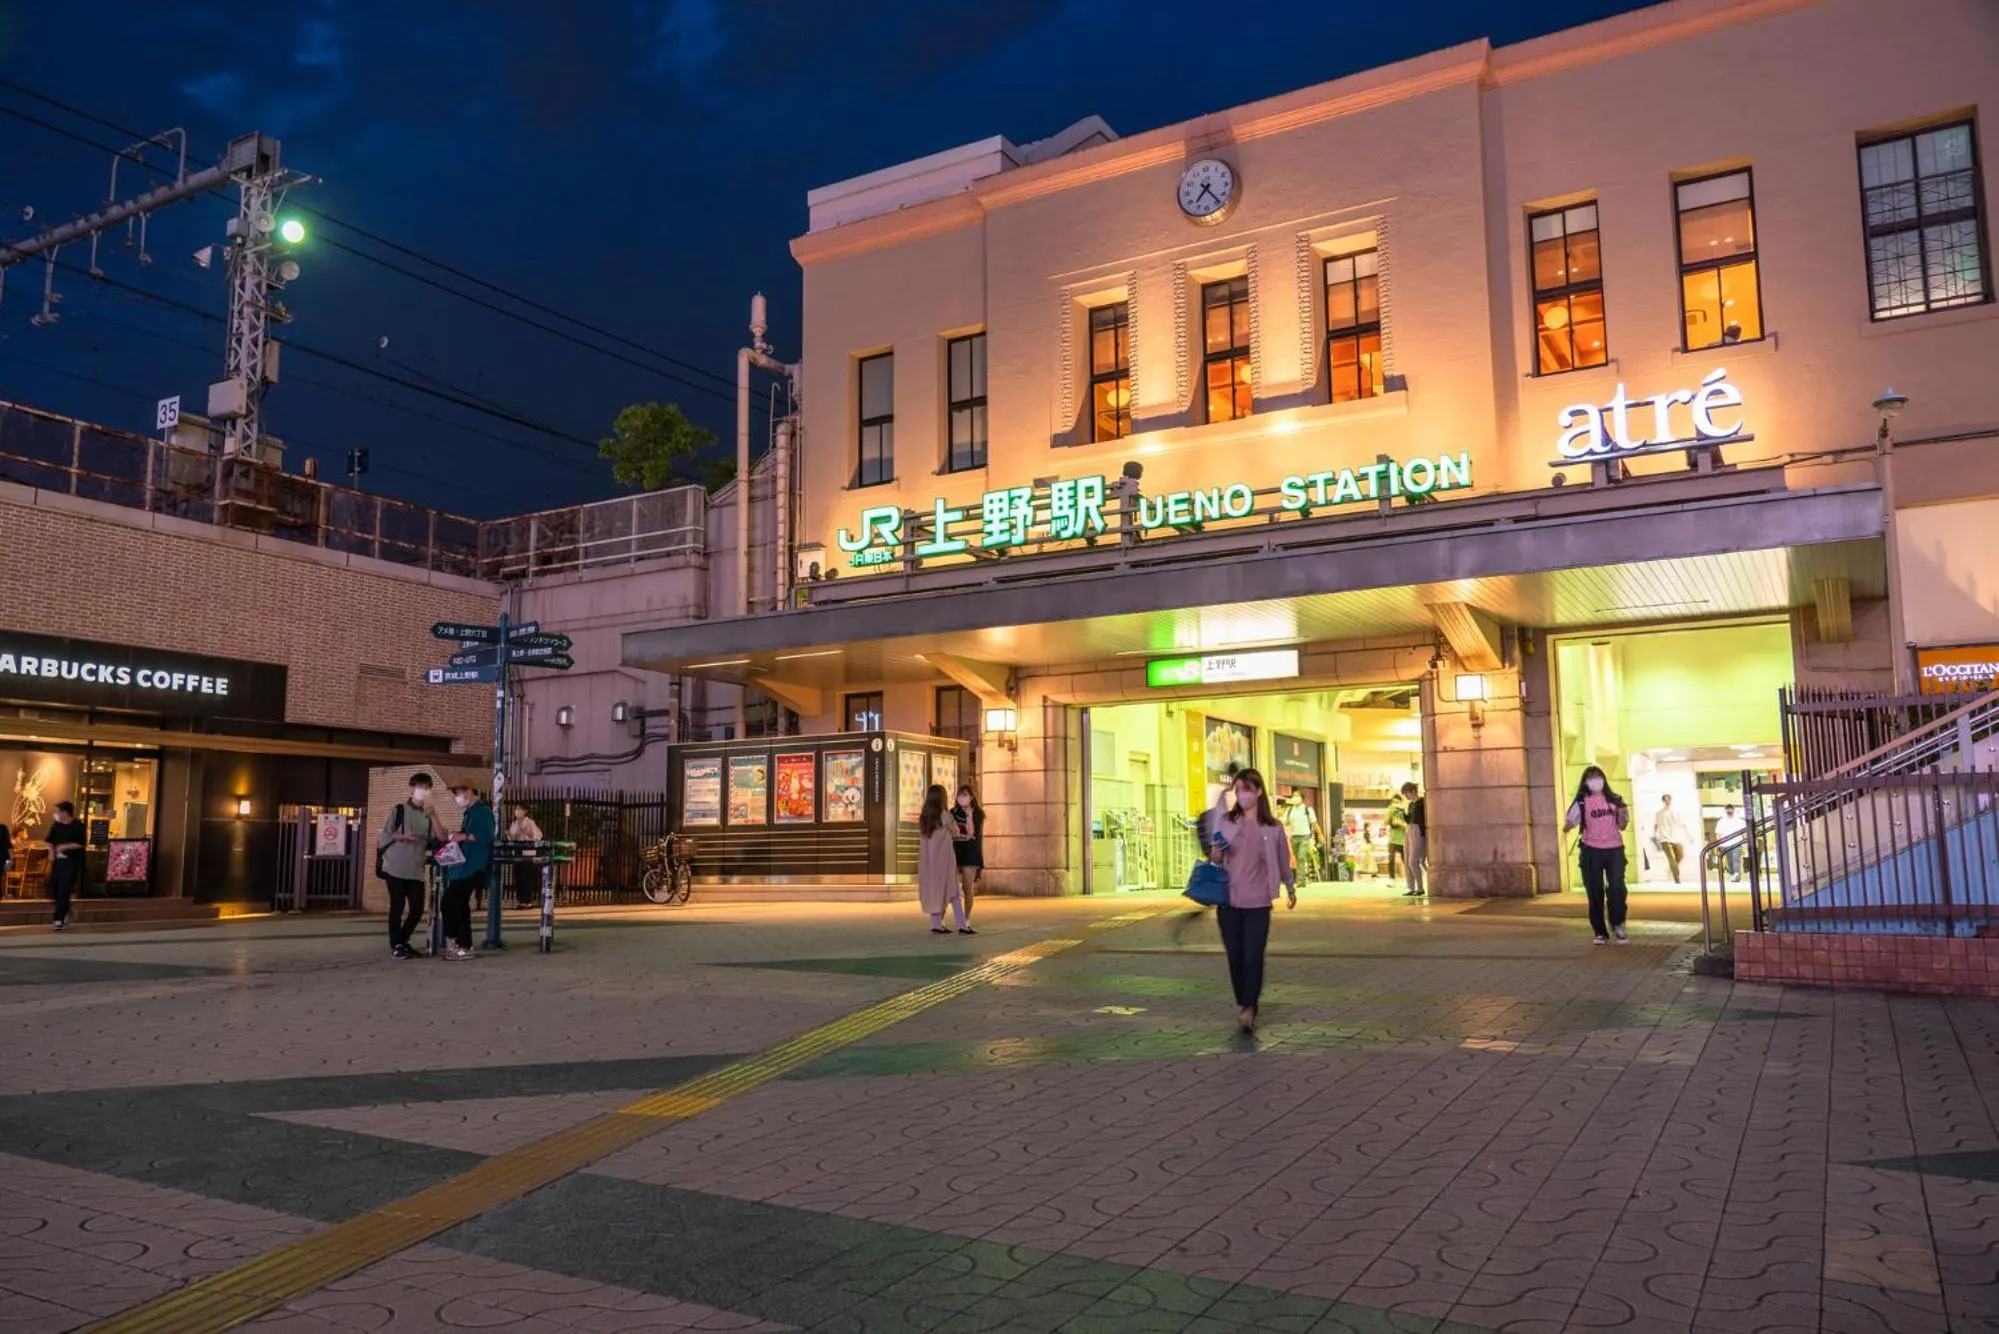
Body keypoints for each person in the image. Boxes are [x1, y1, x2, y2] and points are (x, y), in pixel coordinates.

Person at [1208, 767, 1295, 1033]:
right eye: (1237, 790)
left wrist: (1290, 888)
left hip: (1258, 903)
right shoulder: (1225, 821)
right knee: (1235, 956)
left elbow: (1282, 860)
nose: (1241, 795)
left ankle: (1249, 1007)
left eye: (1246, 789)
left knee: (1253, 956)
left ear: (1258, 791)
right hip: (1229, 903)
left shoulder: (1273, 827)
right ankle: (1243, 1000)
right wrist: (1218, 851)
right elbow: (1214, 858)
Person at [1565, 766, 1632, 945]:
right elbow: (1570, 820)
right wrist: (1567, 827)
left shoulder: (1615, 799)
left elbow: (1622, 825)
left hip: (1614, 849)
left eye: (1598, 776)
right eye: (1591, 777)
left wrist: (1623, 816)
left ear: (1604, 778)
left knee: (1617, 888)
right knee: (1595, 891)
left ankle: (1618, 923)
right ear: (1585, 782)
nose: (1595, 780)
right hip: (1591, 850)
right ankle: (1600, 931)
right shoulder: (1582, 801)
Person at [377, 773, 440, 959]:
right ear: (411, 788)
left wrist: (434, 817)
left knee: (417, 909)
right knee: (397, 907)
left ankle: (402, 941)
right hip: (395, 866)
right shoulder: (399, 810)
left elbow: (438, 838)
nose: (422, 791)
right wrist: (403, 837)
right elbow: (384, 837)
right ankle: (396, 945)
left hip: (416, 868)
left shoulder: (428, 814)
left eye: (426, 787)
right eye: (419, 787)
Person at [438, 780, 495, 960]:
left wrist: (463, 836)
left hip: (472, 866)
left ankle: (456, 941)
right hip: (464, 866)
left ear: (469, 791)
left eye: (457, 793)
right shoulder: (469, 814)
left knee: (450, 903)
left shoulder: (482, 812)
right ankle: (463, 945)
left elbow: (486, 837)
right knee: (460, 906)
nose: (456, 797)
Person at [918, 784, 969, 935]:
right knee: (953, 891)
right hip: (944, 860)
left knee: (936, 890)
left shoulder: (924, 818)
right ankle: (961, 924)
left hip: (929, 862)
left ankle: (936, 923)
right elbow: (955, 832)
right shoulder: (945, 815)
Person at [45, 801, 86, 930]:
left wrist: (65, 846)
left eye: (57, 811)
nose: (55, 814)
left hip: (71, 861)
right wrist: (51, 853)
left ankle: (58, 919)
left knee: (64, 888)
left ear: (65, 812)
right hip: (58, 861)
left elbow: (81, 843)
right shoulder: (56, 826)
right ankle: (66, 908)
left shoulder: (78, 826)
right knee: (53, 887)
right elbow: (50, 842)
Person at [949, 785, 984, 926]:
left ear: (971, 797)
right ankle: (941, 919)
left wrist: (969, 815)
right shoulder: (953, 812)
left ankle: (966, 920)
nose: (962, 797)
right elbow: (951, 831)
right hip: (955, 851)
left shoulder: (978, 813)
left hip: (971, 852)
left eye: (965, 794)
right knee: (951, 887)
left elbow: (973, 834)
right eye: (960, 794)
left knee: (967, 888)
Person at [506, 803, 544, 908]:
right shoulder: (514, 823)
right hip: (517, 850)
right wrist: (511, 835)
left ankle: (528, 900)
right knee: (518, 876)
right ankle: (520, 900)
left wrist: (526, 832)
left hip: (528, 851)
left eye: (519, 809)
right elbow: (512, 838)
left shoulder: (530, 822)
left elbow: (538, 836)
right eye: (516, 809)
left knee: (527, 876)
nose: (517, 811)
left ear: (525, 811)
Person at [1282, 792, 1319, 883]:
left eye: (1297, 796)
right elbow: (1284, 822)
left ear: (1302, 798)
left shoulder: (1308, 810)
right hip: (1294, 837)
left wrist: (1320, 834)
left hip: (1305, 836)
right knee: (1298, 858)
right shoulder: (1289, 810)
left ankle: (1300, 880)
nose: (1295, 797)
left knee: (1301, 856)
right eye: (1293, 796)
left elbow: (1314, 823)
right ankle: (1302, 876)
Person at [1652, 794, 1689, 883]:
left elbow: (1682, 824)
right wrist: (1655, 836)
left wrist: (1687, 834)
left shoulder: (1676, 812)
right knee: (1671, 857)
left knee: (1681, 856)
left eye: (1668, 800)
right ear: (1663, 801)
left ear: (1671, 800)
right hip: (1664, 839)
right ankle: (1677, 878)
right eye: (1665, 800)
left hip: (1677, 838)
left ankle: (1672, 868)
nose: (1667, 801)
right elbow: (1656, 825)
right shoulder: (1659, 813)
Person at [1400, 782, 1428, 899]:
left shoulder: (1422, 802)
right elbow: (1408, 820)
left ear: (1412, 791)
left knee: (1413, 860)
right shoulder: (1411, 805)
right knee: (1407, 860)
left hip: (1417, 830)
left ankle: (1420, 888)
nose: (1406, 797)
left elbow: (1423, 819)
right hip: (1409, 829)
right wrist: (1403, 814)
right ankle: (1411, 887)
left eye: (1406, 793)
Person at [1714, 803, 1747, 882]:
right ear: (1725, 810)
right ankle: (1733, 874)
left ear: (1733, 810)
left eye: (1730, 808)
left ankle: (1736, 876)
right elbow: (1718, 834)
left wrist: (1745, 844)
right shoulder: (1721, 821)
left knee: (1736, 860)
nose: (1729, 810)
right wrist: (1719, 845)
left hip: (1737, 843)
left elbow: (1744, 833)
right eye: (1727, 809)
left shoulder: (1740, 821)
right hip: (1725, 845)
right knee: (1730, 862)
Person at [1385, 787, 1409, 880]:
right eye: (1394, 802)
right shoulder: (1390, 810)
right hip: (1393, 839)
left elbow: (1407, 823)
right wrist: (1391, 816)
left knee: (1405, 859)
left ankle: (1408, 875)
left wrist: (1401, 823)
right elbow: (1386, 821)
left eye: (1397, 802)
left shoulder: (1404, 810)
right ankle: (1391, 877)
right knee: (1391, 859)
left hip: (1402, 839)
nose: (1395, 804)